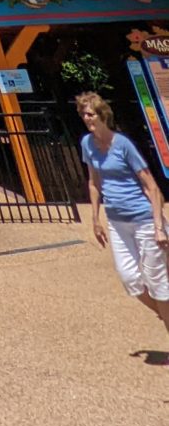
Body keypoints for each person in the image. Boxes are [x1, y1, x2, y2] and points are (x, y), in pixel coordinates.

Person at [77, 91, 169, 338]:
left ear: (101, 114)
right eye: (84, 114)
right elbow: (94, 182)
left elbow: (151, 185)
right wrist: (95, 219)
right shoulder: (87, 144)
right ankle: (164, 312)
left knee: (157, 281)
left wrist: (160, 227)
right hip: (117, 221)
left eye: (91, 113)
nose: (87, 118)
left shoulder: (123, 144)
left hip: (144, 219)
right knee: (130, 279)